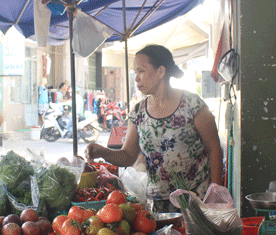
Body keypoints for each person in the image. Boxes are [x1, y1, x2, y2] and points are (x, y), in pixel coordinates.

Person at [85, 44, 224, 213]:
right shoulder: (138, 112)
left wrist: (215, 195)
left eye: (141, 71)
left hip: (196, 200)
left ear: (161, 72)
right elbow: (128, 156)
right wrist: (102, 152)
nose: (136, 78)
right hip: (158, 205)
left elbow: (214, 148)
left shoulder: (192, 104)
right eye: (136, 72)